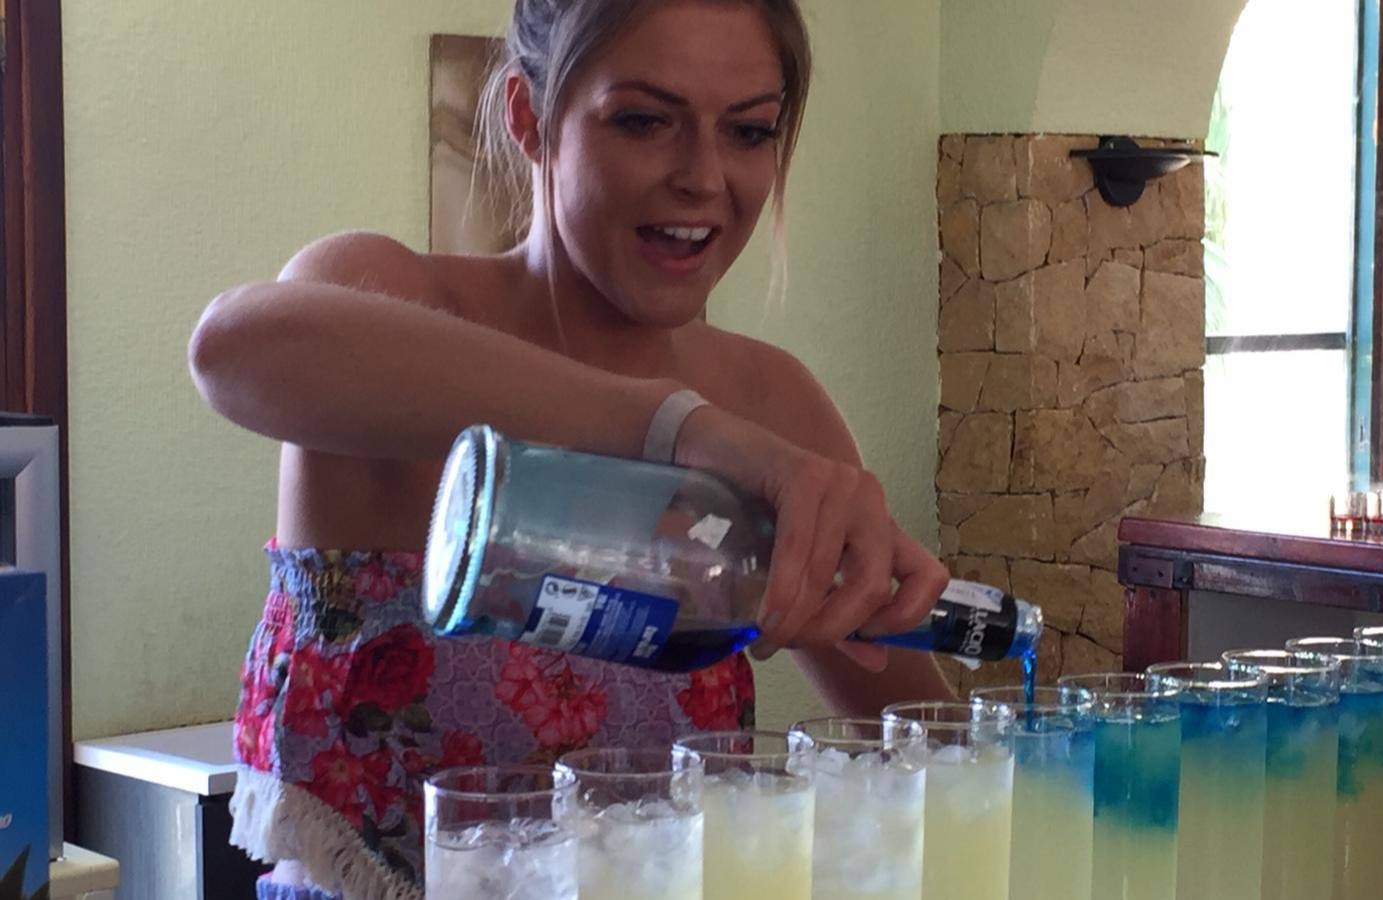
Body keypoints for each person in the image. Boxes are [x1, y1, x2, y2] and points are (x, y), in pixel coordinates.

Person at [187, 1, 955, 898]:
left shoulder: (775, 400)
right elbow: (235, 350)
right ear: (527, 116)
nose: (704, 178)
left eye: (748, 131)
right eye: (643, 120)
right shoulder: (393, 300)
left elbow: (926, 746)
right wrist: (677, 427)